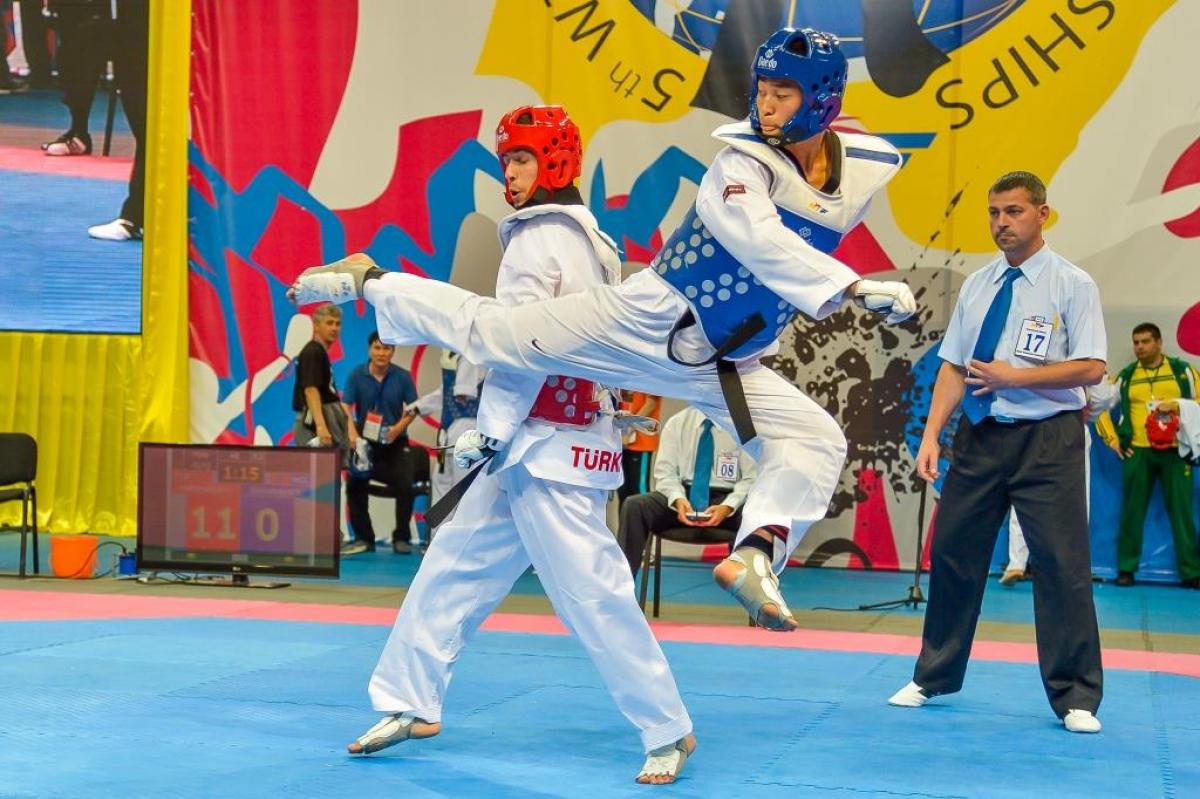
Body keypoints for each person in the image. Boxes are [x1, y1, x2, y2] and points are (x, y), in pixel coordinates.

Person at [289, 27, 917, 633]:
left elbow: (815, 205)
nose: (766, 104)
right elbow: (761, 238)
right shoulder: (741, 164)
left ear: (824, 98)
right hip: (648, 321)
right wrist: (852, 286)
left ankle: (756, 551)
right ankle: (369, 278)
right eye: (762, 89)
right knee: (498, 334)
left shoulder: (859, 169)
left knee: (816, 438)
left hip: (722, 365)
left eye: (784, 93)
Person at [341, 105, 696, 785]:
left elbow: (522, 347)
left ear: (556, 161)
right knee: (452, 564)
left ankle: (667, 726)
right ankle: (409, 699)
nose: (511, 172)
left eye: (524, 159)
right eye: (506, 160)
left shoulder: (540, 242)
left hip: (548, 445)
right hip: (537, 443)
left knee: (590, 592)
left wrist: (491, 429)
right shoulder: (590, 241)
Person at [889, 171, 1108, 734]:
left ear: (1043, 214)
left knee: (1061, 567)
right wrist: (933, 434)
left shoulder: (1071, 284)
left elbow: (1091, 368)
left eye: (1013, 212)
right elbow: (955, 366)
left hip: (1049, 439)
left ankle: (1076, 695)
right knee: (955, 555)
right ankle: (932, 675)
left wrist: (1016, 376)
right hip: (980, 438)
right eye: (994, 213)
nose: (1001, 223)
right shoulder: (979, 285)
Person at [1094, 323, 1200, 588]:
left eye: (1145, 341)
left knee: (1182, 512)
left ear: (1159, 342)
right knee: (1132, 512)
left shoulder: (1182, 371)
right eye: (1136, 342)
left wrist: (1176, 405)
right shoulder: (1127, 376)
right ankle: (1126, 569)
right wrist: (1113, 440)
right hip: (1138, 452)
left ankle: (1191, 571)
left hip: (1176, 452)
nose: (1139, 347)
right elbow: (1101, 406)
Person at [999, 377, 1117, 586]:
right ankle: (1071, 564)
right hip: (1070, 426)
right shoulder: (1083, 354)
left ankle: (1017, 562)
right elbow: (1104, 395)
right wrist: (1090, 412)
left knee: (1023, 493)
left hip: (1029, 424)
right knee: (1076, 499)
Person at [618, 406, 756, 578]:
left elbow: (752, 478)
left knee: (756, 513)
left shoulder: (741, 427)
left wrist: (728, 506)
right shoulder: (677, 422)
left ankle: (752, 590)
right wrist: (678, 500)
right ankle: (622, 585)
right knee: (635, 505)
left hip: (727, 500)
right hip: (683, 499)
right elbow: (665, 474)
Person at [290, 304, 364, 551]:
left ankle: (328, 539)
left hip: (327, 423)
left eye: (337, 324)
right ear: (316, 324)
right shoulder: (313, 351)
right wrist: (322, 429)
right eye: (329, 323)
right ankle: (321, 541)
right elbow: (310, 390)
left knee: (328, 483)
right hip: (315, 428)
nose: (334, 328)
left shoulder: (321, 353)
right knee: (319, 483)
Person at [342, 331, 420, 555]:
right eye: (377, 348)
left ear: (393, 352)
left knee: (406, 483)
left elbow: (414, 408)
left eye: (386, 348)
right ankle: (364, 538)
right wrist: (353, 436)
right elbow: (346, 407)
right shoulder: (357, 375)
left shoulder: (403, 377)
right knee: (355, 483)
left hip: (395, 442)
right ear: (370, 350)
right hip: (366, 443)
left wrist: (397, 429)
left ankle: (401, 538)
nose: (381, 353)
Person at [411, 349, 487, 509]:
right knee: (441, 485)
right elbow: (445, 391)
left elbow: (462, 395)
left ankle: (459, 533)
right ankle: (438, 534)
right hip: (448, 431)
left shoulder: (474, 355)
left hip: (469, 430)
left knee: (462, 493)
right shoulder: (452, 354)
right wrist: (417, 407)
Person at [618, 390, 663, 506]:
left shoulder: (653, 376)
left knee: (639, 491)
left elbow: (651, 403)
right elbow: (628, 398)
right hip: (626, 442)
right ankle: (625, 524)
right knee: (623, 491)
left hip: (641, 441)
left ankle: (644, 523)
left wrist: (630, 427)